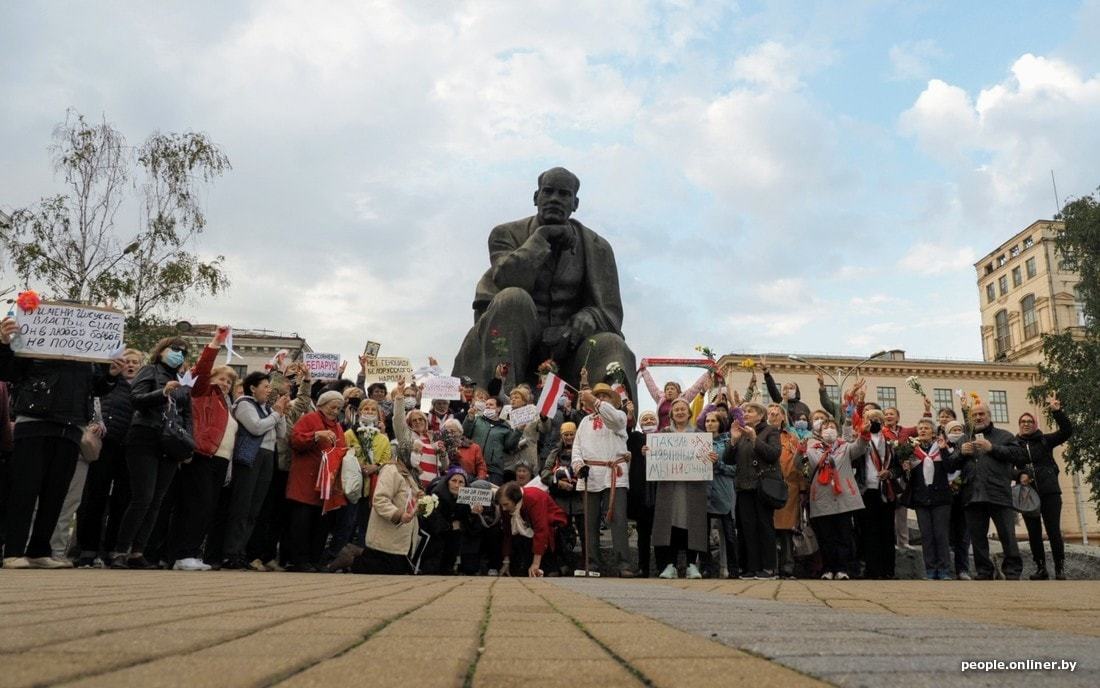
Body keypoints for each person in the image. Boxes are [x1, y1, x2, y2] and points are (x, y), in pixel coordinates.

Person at [452, 167, 637, 401]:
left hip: (570, 353)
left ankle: (612, 418)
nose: (554, 199)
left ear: (575, 203)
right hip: (511, 343)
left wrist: (590, 316)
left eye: (563, 194)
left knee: (611, 344)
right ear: (535, 197)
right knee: (513, 298)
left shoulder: (598, 247)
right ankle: (502, 402)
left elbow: (611, 313)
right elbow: (507, 278)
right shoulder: (505, 234)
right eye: (548, 192)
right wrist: (542, 237)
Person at [0, 316, 122, 569]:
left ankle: (39, 551)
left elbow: (98, 387)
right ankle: (12, 551)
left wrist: (111, 374)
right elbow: (8, 371)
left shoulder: (88, 356)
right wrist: (3, 342)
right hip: (34, 422)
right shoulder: (32, 347)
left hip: (71, 426)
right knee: (24, 489)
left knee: (55, 493)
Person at [111, 337, 191, 570]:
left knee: (156, 501)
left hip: (170, 443)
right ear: (162, 350)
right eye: (175, 349)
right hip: (144, 437)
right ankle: (120, 549)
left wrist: (188, 444)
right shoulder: (150, 370)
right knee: (142, 498)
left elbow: (187, 415)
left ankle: (138, 551)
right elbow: (135, 399)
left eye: (183, 353)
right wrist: (162, 393)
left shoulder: (181, 381)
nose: (179, 355)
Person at [168, 328, 236, 571]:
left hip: (218, 461)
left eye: (229, 381)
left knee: (206, 508)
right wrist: (215, 344)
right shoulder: (203, 391)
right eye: (222, 379)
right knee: (196, 506)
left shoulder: (224, 403)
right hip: (200, 455)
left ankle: (192, 552)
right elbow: (202, 371)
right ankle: (182, 554)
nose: (225, 384)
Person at [73, 347, 143, 567]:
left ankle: (113, 548)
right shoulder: (108, 384)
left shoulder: (144, 388)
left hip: (131, 449)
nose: (130, 365)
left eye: (135, 362)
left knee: (123, 500)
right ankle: (87, 548)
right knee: (95, 496)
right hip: (106, 445)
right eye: (126, 361)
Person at [948, 403, 1027, 580]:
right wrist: (961, 452)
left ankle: (1013, 571)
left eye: (981, 414)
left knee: (1007, 534)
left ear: (989, 415)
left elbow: (1019, 455)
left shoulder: (1004, 435)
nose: (978, 417)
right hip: (972, 495)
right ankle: (984, 571)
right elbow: (950, 463)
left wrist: (992, 448)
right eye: (974, 415)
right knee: (977, 538)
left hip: (998, 493)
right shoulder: (964, 438)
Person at [221, 372, 289, 570]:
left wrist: (281, 413)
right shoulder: (244, 404)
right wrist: (276, 414)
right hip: (250, 457)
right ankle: (229, 552)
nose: (269, 391)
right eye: (265, 386)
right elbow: (256, 428)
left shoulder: (268, 408)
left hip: (268, 457)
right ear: (253, 388)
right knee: (241, 506)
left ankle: (241, 551)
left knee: (254, 508)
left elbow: (282, 434)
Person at [572, 383, 634, 577]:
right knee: (589, 521)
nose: (601, 399)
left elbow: (614, 420)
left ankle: (623, 564)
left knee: (617, 520)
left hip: (613, 474)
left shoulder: (620, 416)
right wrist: (578, 465)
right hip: (590, 473)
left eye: (606, 396)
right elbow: (577, 446)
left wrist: (596, 401)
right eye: (599, 396)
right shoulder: (584, 422)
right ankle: (592, 562)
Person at [286, 391, 348, 572]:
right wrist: (315, 436)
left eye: (338, 408)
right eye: (332, 407)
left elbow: (341, 448)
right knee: (301, 523)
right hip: (305, 481)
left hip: (325, 486)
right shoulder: (309, 419)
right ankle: (298, 560)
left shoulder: (337, 427)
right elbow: (295, 440)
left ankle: (314, 559)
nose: (335, 411)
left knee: (321, 525)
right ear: (321, 405)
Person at [650, 397, 709, 580]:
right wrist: (648, 452)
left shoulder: (699, 435)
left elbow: (704, 462)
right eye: (676, 410)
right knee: (670, 524)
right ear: (671, 414)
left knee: (692, 524)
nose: (680, 412)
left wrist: (710, 458)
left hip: (692, 489)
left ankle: (692, 564)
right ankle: (670, 565)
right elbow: (655, 460)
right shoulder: (662, 435)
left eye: (683, 409)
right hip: (670, 488)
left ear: (689, 412)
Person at [1016, 394, 1073, 580]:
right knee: (1033, 532)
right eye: (1023, 422)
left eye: (1029, 421)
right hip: (1027, 493)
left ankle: (1059, 568)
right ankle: (1041, 568)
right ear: (1019, 425)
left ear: (1035, 424)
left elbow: (1066, 431)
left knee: (1053, 530)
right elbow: (1007, 467)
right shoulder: (1014, 445)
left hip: (1050, 491)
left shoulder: (1045, 440)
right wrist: (1019, 475)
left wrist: (1057, 411)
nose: (1026, 424)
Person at [804, 419, 865, 579]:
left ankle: (842, 569)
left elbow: (859, 447)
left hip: (843, 499)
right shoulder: (813, 449)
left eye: (832, 427)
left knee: (844, 536)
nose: (829, 430)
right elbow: (809, 464)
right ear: (819, 432)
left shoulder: (845, 447)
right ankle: (828, 569)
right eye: (825, 427)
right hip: (822, 499)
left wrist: (864, 435)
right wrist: (802, 452)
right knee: (826, 537)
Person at [729, 401, 782, 579]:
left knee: (764, 526)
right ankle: (752, 567)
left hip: (763, 487)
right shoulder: (742, 433)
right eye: (744, 411)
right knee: (747, 528)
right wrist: (734, 441)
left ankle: (768, 568)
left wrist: (754, 439)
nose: (745, 414)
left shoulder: (771, 431)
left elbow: (773, 454)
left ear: (761, 415)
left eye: (750, 411)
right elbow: (728, 459)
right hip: (744, 487)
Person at [900, 418, 954, 580]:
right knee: (926, 535)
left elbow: (951, 467)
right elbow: (908, 478)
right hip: (921, 498)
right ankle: (930, 570)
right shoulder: (912, 451)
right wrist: (906, 469)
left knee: (941, 534)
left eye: (926, 428)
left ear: (933, 431)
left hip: (941, 498)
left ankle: (944, 570)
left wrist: (944, 450)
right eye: (920, 428)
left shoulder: (942, 448)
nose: (922, 430)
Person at [358, 439, 420, 575]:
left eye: (420, 452)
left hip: (399, 544)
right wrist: (398, 515)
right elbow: (380, 499)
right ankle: (351, 558)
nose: (418, 456)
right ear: (405, 451)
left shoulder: (410, 474)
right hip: (385, 546)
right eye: (415, 451)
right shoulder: (391, 470)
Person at [853, 408, 901, 579]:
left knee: (887, 532)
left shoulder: (890, 442)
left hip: (886, 490)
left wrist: (891, 473)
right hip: (866, 490)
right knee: (869, 531)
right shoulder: (859, 439)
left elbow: (898, 467)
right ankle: (872, 570)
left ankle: (888, 570)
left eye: (877, 419)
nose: (874, 422)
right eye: (870, 419)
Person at [497, 480, 567, 577]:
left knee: (545, 572)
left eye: (506, 505)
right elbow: (507, 533)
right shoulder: (505, 505)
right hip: (526, 533)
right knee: (519, 571)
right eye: (501, 505)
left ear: (516, 499)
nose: (503, 509)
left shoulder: (533, 498)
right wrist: (506, 561)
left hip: (551, 530)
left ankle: (557, 564)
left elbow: (541, 530)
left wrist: (535, 564)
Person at [769, 404, 804, 579]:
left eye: (777, 413)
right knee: (768, 530)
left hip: (789, 489)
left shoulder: (791, 438)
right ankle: (770, 567)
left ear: (783, 417)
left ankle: (788, 567)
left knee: (787, 531)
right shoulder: (762, 435)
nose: (773, 415)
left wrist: (802, 489)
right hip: (767, 489)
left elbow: (799, 464)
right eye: (770, 414)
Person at [392, 380, 446, 488]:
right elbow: (398, 420)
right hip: (414, 486)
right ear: (409, 424)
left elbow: (443, 467)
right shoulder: (406, 436)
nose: (418, 421)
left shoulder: (433, 438)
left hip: (434, 487)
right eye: (414, 420)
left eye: (421, 419)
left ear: (426, 421)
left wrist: (443, 454)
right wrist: (399, 395)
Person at [704, 411, 737, 579]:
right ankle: (706, 568)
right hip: (705, 492)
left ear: (720, 423)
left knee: (729, 533)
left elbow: (735, 469)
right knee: (704, 534)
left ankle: (732, 569)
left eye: (713, 421)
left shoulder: (729, 443)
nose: (709, 423)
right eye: (707, 421)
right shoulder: (698, 442)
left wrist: (719, 464)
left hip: (723, 491)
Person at [463, 395, 522, 485]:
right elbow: (465, 434)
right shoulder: (477, 420)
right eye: (486, 404)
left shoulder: (506, 427)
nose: (487, 406)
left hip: (493, 470)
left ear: (498, 408)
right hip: (473, 466)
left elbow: (509, 447)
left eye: (491, 405)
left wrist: (518, 431)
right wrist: (470, 418)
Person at [626, 407, 657, 577]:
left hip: (659, 491)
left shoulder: (664, 437)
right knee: (643, 533)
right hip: (641, 492)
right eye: (645, 419)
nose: (648, 422)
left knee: (660, 532)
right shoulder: (636, 437)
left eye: (651, 419)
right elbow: (625, 432)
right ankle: (643, 567)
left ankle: (663, 566)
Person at [638, 364, 712, 431]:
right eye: (667, 389)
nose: (669, 391)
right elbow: (651, 386)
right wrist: (644, 371)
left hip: (679, 433)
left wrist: (708, 372)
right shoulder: (660, 399)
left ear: (678, 392)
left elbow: (696, 387)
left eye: (672, 389)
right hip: (661, 434)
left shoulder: (684, 399)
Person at [942, 419, 972, 579]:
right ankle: (946, 570)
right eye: (953, 430)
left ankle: (963, 569)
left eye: (959, 429)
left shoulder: (967, 447)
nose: (956, 432)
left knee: (963, 535)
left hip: (963, 494)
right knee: (947, 535)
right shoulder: (942, 447)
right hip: (945, 496)